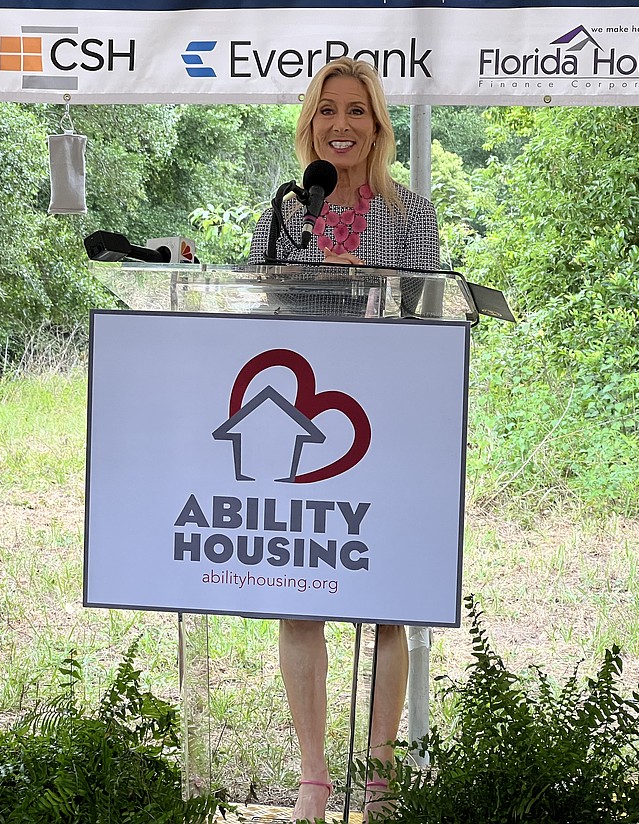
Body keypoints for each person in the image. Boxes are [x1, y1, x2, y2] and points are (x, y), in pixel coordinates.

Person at [247, 58, 440, 823]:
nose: (342, 124)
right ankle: (314, 780)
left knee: (386, 604)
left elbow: (433, 316)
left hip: (384, 422)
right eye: (327, 110)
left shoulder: (411, 214)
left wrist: (376, 282)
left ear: (380, 125)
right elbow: (254, 311)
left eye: (357, 111)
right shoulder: (284, 213)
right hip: (301, 430)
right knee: (303, 600)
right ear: (309, 125)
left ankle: (380, 779)